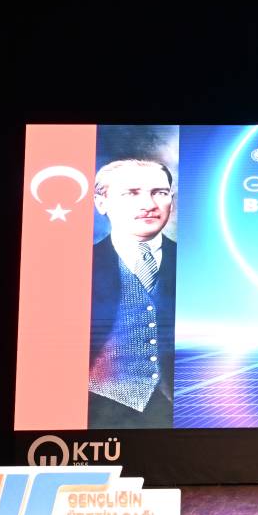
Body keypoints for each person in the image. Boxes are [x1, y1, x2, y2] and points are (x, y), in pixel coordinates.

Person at [88, 158, 177, 428]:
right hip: (97, 414)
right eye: (131, 193)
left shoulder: (200, 261)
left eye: (160, 193)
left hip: (181, 413)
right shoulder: (77, 265)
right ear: (101, 203)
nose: (149, 204)